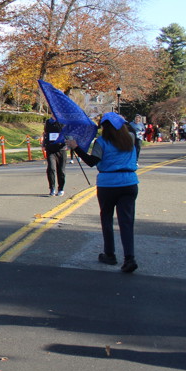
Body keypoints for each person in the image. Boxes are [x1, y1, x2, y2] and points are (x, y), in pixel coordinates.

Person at [66, 112, 140, 273]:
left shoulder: (101, 142)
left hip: (108, 183)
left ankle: (110, 254)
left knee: (107, 218)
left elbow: (92, 162)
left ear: (105, 127)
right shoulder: (131, 138)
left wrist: (76, 147)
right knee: (126, 222)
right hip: (129, 182)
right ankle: (129, 258)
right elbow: (132, 132)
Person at [43, 118, 67, 196]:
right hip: (50, 149)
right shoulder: (48, 122)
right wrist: (44, 144)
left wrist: (68, 143)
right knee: (51, 168)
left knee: (61, 170)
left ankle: (61, 188)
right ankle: (52, 188)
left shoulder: (63, 121)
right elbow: (45, 134)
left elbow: (68, 133)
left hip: (61, 149)